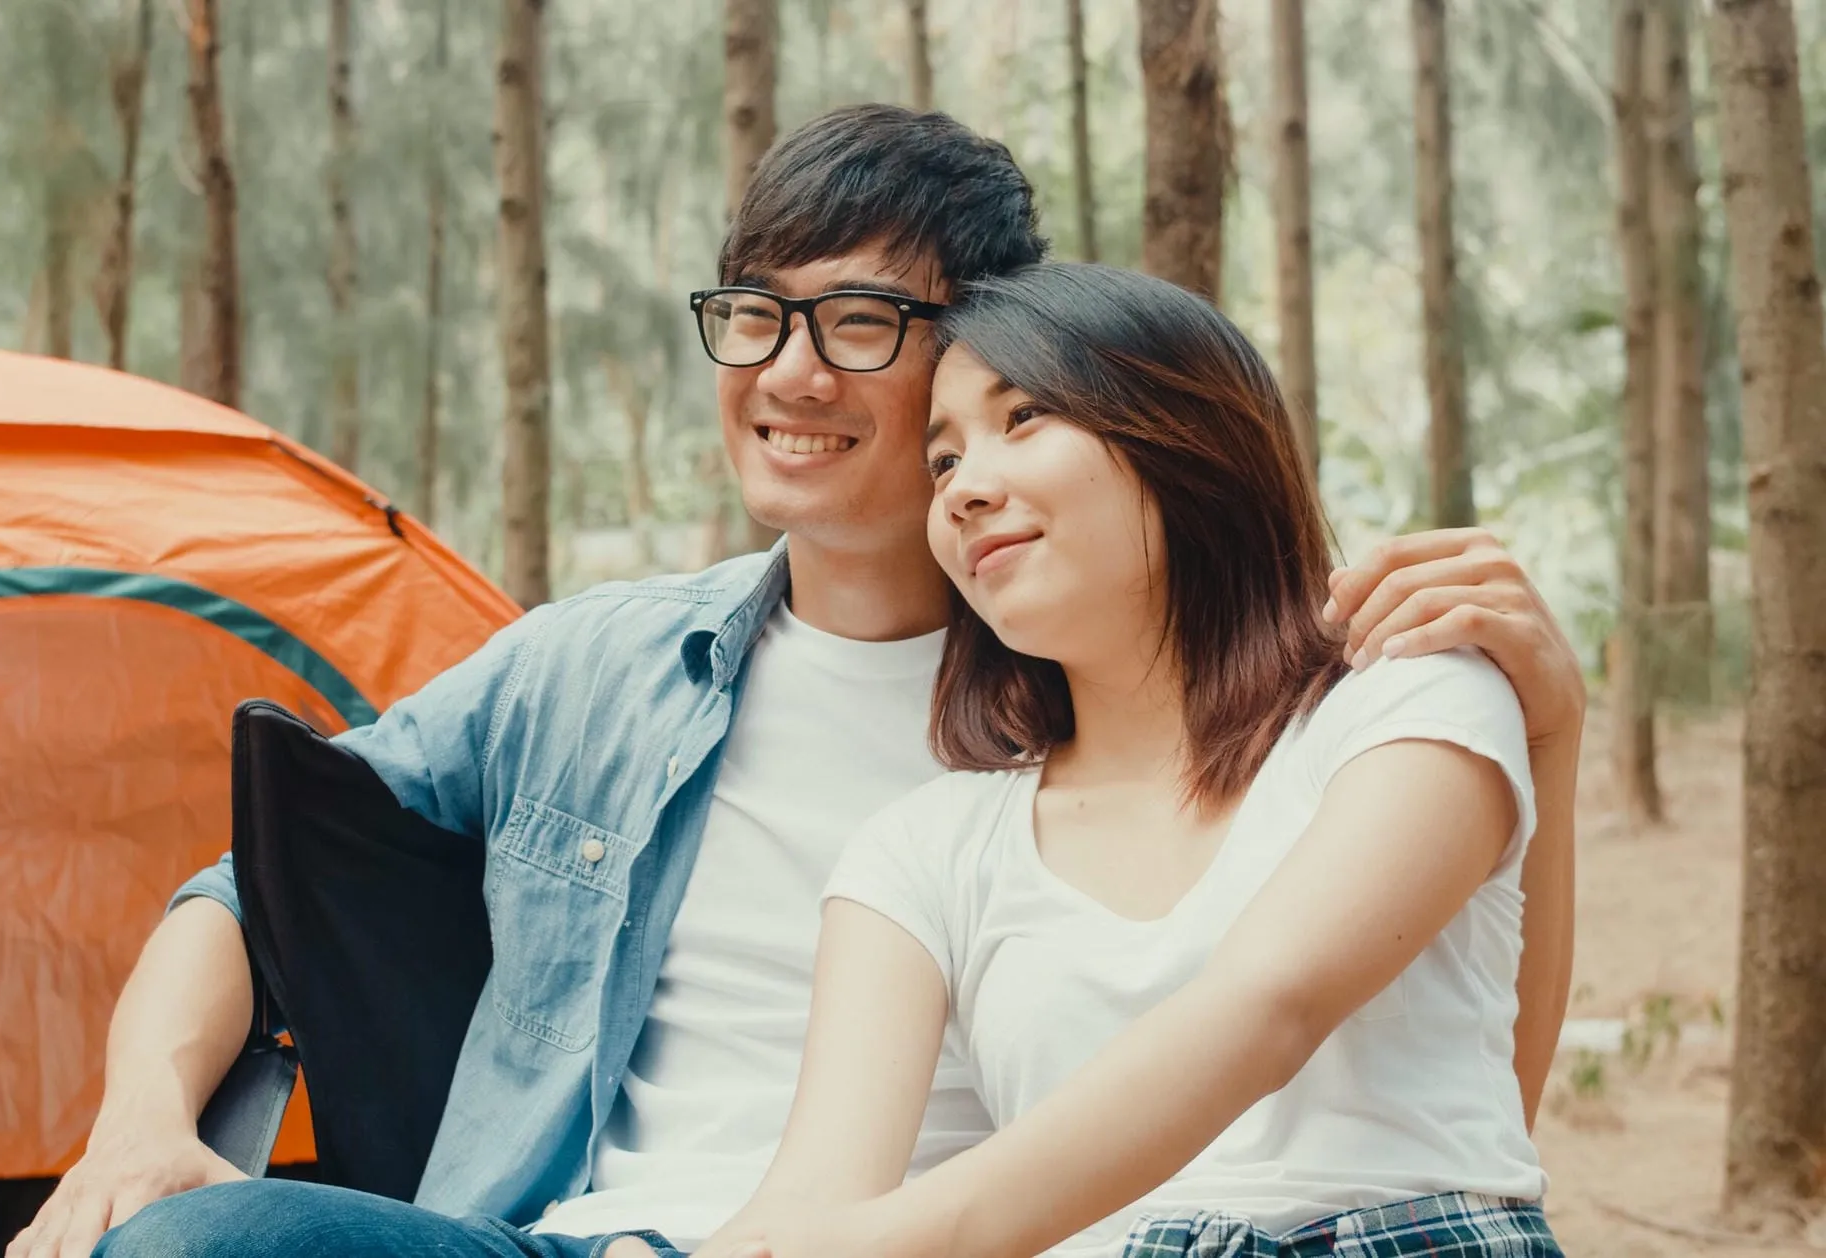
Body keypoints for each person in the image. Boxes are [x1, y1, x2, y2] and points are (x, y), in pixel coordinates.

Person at [13, 105, 1583, 1258]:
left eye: (857, 321)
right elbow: (245, 887)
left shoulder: (1144, 693)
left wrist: (1546, 749)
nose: (789, 372)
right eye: (755, 315)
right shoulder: (601, 665)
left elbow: (1411, 1054)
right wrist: (143, 1122)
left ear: (990, 348)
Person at [655, 263, 1562, 1258]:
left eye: (1025, 415)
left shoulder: (1407, 693)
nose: (964, 489)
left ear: (1185, 435)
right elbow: (813, 1198)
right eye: (944, 460)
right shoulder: (922, 850)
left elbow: (1271, 1002)